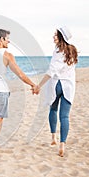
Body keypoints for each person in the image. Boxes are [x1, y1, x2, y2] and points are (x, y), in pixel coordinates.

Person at [34, 26, 78, 157]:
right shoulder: (73, 51)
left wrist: (39, 85)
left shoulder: (58, 51)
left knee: (53, 110)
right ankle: (62, 144)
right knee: (64, 116)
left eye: (55, 35)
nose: (53, 37)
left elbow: (51, 71)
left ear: (61, 37)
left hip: (56, 84)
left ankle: (53, 137)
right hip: (68, 86)